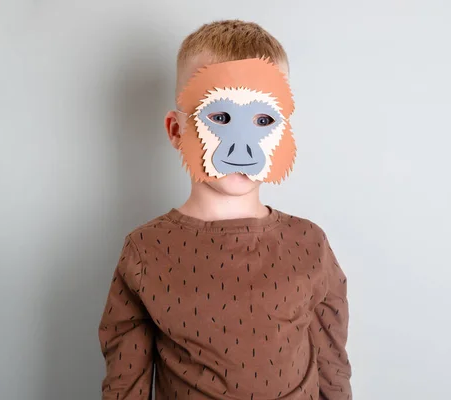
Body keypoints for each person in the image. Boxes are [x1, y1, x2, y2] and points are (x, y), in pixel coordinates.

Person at [98, 20, 352, 400]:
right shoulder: (144, 250)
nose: (242, 149)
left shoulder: (310, 243)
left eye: (263, 121)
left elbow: (333, 368)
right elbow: (124, 386)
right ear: (175, 130)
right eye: (219, 118)